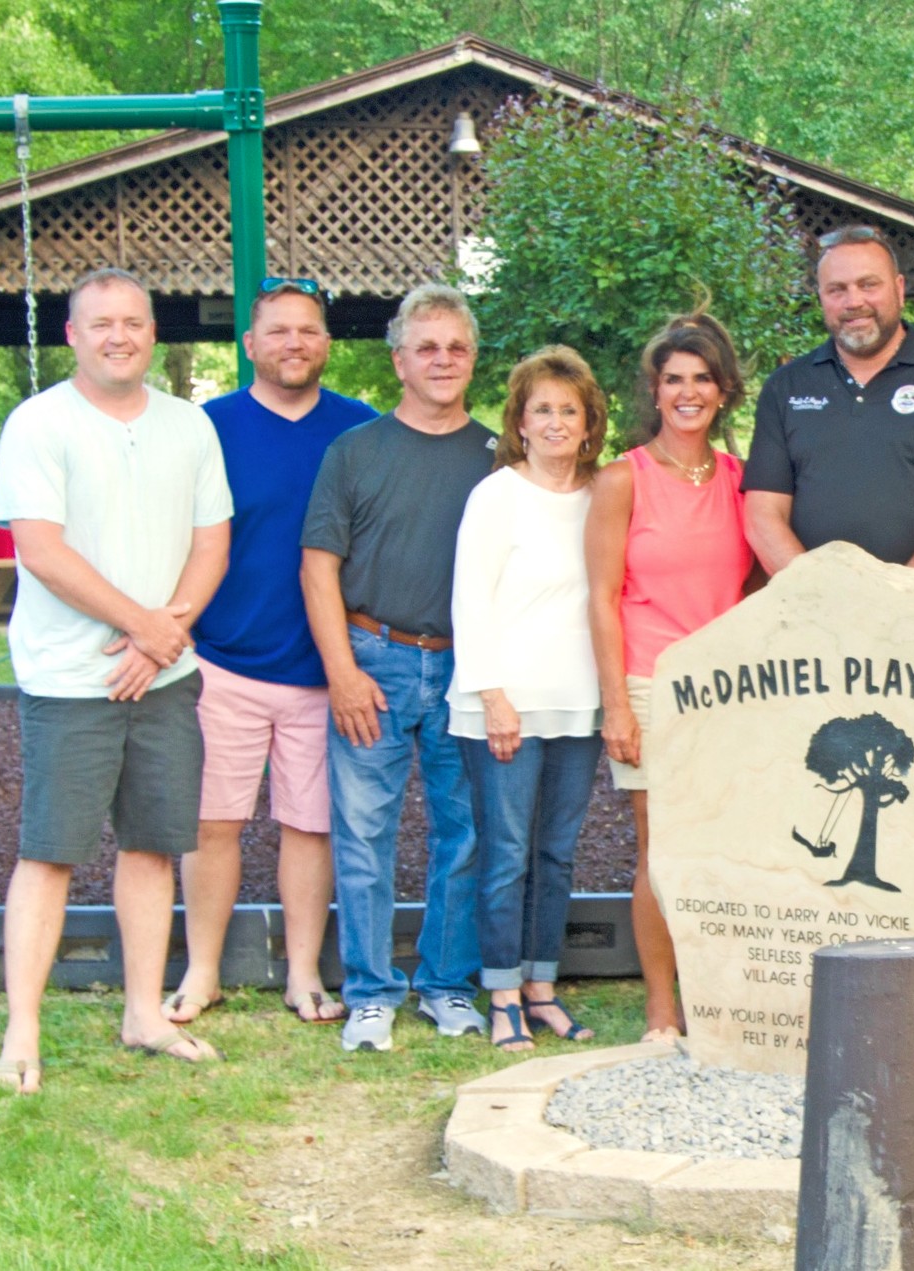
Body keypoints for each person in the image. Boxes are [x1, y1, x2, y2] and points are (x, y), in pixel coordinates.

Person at [0, 268, 234, 1091]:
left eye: (132, 321)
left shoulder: (188, 425)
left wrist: (163, 637)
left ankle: (143, 1014)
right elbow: (41, 550)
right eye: (100, 324)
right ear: (72, 335)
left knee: (152, 846)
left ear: (153, 332)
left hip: (165, 676)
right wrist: (144, 625)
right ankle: (22, 1033)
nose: (118, 336)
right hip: (71, 678)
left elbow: (211, 542)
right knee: (49, 852)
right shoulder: (39, 423)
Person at [165, 278, 375, 1027]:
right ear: (249, 344)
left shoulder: (360, 429)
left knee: (310, 825)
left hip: (325, 669)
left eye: (308, 330)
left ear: (327, 344)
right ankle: (203, 971)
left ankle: (304, 972)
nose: (294, 343)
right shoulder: (206, 428)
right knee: (212, 822)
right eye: (278, 331)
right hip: (223, 660)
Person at [300, 284, 497, 1053]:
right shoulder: (354, 451)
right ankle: (371, 993)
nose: (442, 360)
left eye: (456, 347)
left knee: (465, 832)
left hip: (465, 665)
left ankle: (446, 984)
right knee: (363, 835)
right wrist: (342, 671)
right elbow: (319, 568)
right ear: (399, 361)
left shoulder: (498, 458)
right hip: (373, 659)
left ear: (473, 359)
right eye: (427, 348)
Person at [587, 315, 756, 1044]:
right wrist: (616, 706)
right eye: (673, 380)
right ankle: (662, 1010)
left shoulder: (741, 481)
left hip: (729, 694)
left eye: (702, 379)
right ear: (654, 392)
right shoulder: (622, 479)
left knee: (727, 849)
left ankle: (722, 1001)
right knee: (662, 851)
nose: (688, 392)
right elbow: (600, 598)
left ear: (723, 391)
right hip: (651, 685)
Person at [450, 347, 609, 1051]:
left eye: (568, 410)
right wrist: (494, 696)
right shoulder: (497, 496)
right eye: (541, 409)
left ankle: (541, 987)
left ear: (589, 422)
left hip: (579, 701)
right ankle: (502, 994)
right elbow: (470, 600)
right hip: (505, 702)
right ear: (519, 421)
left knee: (556, 853)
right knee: (506, 853)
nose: (554, 422)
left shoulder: (604, 493)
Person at [743, 225, 914, 576]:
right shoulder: (784, 387)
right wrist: (814, 592)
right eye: (837, 289)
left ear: (899, 289)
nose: (854, 302)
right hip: (812, 604)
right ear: (821, 297)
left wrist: (896, 597)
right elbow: (762, 515)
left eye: (868, 285)